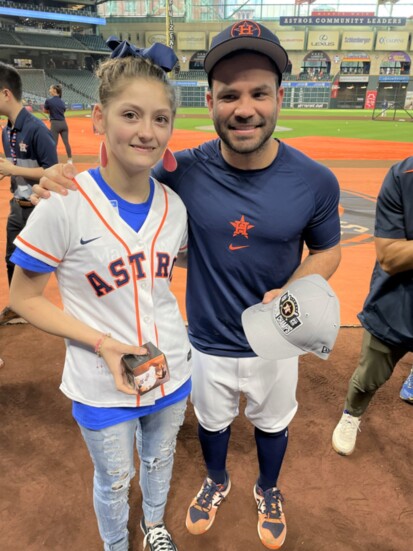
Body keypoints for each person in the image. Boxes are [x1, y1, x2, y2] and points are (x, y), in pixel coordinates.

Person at [31, 21, 341, 550]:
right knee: (213, 425)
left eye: (259, 93)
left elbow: (329, 250)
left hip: (277, 340)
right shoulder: (184, 171)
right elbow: (122, 173)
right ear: (212, 101)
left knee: (273, 425)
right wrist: (59, 180)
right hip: (204, 342)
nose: (244, 108)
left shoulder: (315, 180)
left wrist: (293, 289)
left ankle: (268, 488)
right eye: (229, 95)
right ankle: (216, 480)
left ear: (279, 97)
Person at [9, 39, 191, 551]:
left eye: (160, 119)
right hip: (99, 380)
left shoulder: (176, 208)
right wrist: (102, 342)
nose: (147, 131)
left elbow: (157, 288)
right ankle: (116, 545)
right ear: (98, 116)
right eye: (130, 114)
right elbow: (23, 298)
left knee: (159, 459)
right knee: (113, 479)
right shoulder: (63, 202)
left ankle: (153, 525)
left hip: (172, 368)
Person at [332, 156, 413, 457]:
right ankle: (352, 414)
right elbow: (390, 256)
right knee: (369, 376)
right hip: (397, 303)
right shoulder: (403, 176)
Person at [0, 62, 58, 326]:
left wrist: (12, 167)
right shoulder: (6, 131)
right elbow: (19, 166)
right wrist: (9, 171)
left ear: (5, 94)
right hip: (17, 205)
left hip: (38, 208)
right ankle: (18, 307)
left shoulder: (36, 129)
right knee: (12, 258)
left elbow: (53, 171)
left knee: (42, 264)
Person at [44, 84, 73, 163]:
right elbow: (63, 111)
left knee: (54, 143)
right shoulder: (62, 102)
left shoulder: (49, 101)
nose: (49, 90)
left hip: (55, 124)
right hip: (64, 123)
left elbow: (45, 111)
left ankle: (54, 160)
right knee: (66, 142)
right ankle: (70, 159)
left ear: (54, 90)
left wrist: (51, 111)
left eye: (50, 89)